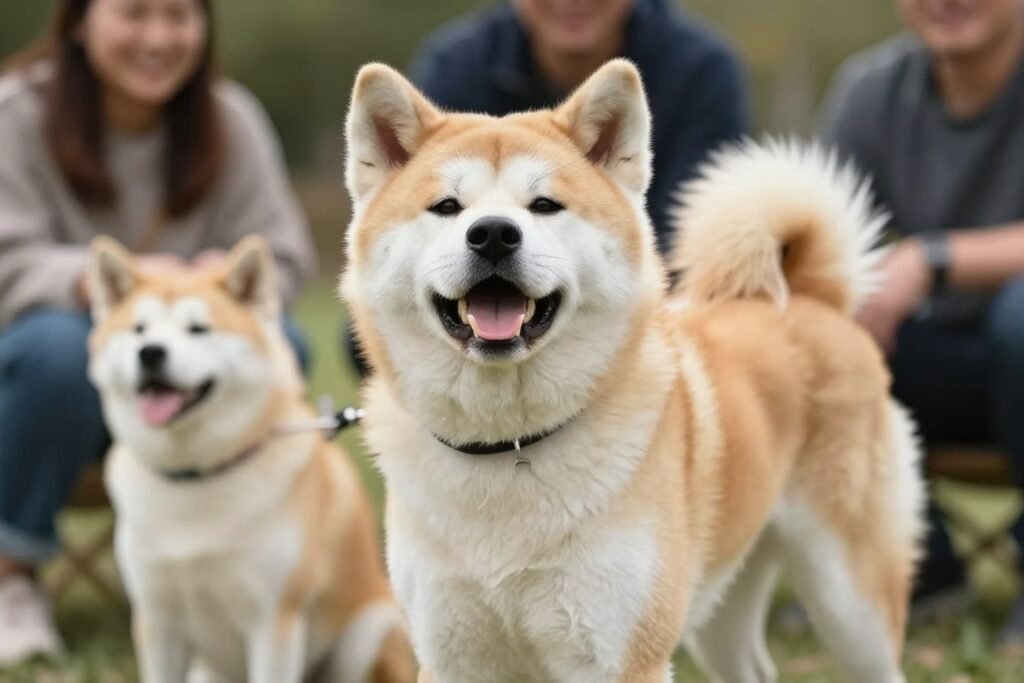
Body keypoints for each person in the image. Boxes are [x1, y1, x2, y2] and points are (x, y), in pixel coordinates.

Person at [0, 0, 316, 664]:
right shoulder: (16, 114)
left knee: (284, 338)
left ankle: (245, 560)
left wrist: (220, 277)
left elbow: (283, 257)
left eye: (178, 16)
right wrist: (96, 282)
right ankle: (11, 574)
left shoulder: (231, 120)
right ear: (81, 23)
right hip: (50, 388)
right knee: (58, 349)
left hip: (197, 389)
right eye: (135, 14)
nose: (158, 37)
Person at [343, 0, 749, 376]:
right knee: (357, 339)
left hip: (666, 305)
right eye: (450, 204)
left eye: (543, 203)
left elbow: (692, 239)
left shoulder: (699, 69)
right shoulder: (458, 65)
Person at [821, 0, 1024, 646]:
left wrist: (932, 257)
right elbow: (820, 243)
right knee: (820, 326)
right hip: (932, 371)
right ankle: (920, 567)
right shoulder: (869, 91)